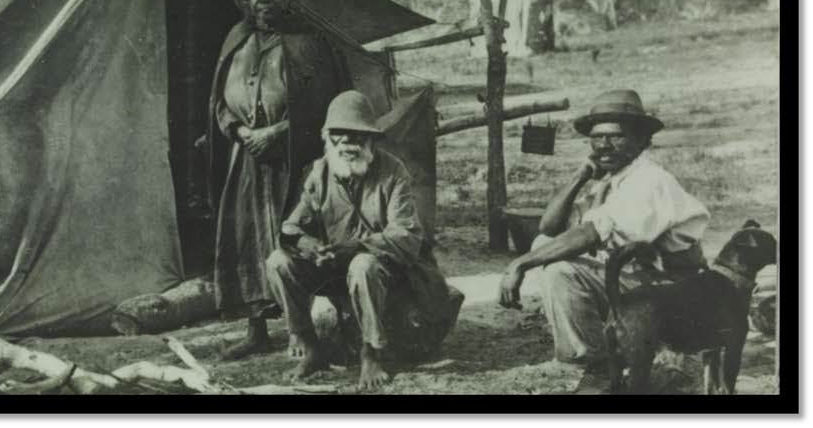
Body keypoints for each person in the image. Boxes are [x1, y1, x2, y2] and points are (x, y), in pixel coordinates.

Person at [497, 89, 710, 378]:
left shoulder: (650, 180)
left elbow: (593, 232)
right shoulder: (613, 181)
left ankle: (589, 362)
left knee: (560, 269)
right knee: (546, 244)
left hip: (672, 294)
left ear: (642, 141)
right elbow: (550, 227)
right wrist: (580, 176)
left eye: (616, 136)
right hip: (640, 286)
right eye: (596, 138)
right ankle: (595, 356)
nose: (604, 145)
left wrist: (520, 263)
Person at [207, 0, 351, 360]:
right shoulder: (236, 39)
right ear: (247, 1)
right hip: (247, 162)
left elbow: (328, 106)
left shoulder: (313, 42)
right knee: (246, 240)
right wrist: (239, 132)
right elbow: (219, 103)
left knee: (294, 240)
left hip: (297, 162)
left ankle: (298, 330)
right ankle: (256, 330)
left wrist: (277, 131)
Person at [266, 90, 454, 390]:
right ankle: (310, 344)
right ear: (328, 138)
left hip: (387, 272)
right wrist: (309, 245)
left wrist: (355, 247)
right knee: (278, 262)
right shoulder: (320, 172)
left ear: (371, 140)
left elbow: (406, 235)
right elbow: (290, 228)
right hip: (334, 268)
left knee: (363, 264)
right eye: (340, 135)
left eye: (357, 136)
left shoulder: (393, 172)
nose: (349, 144)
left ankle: (371, 353)